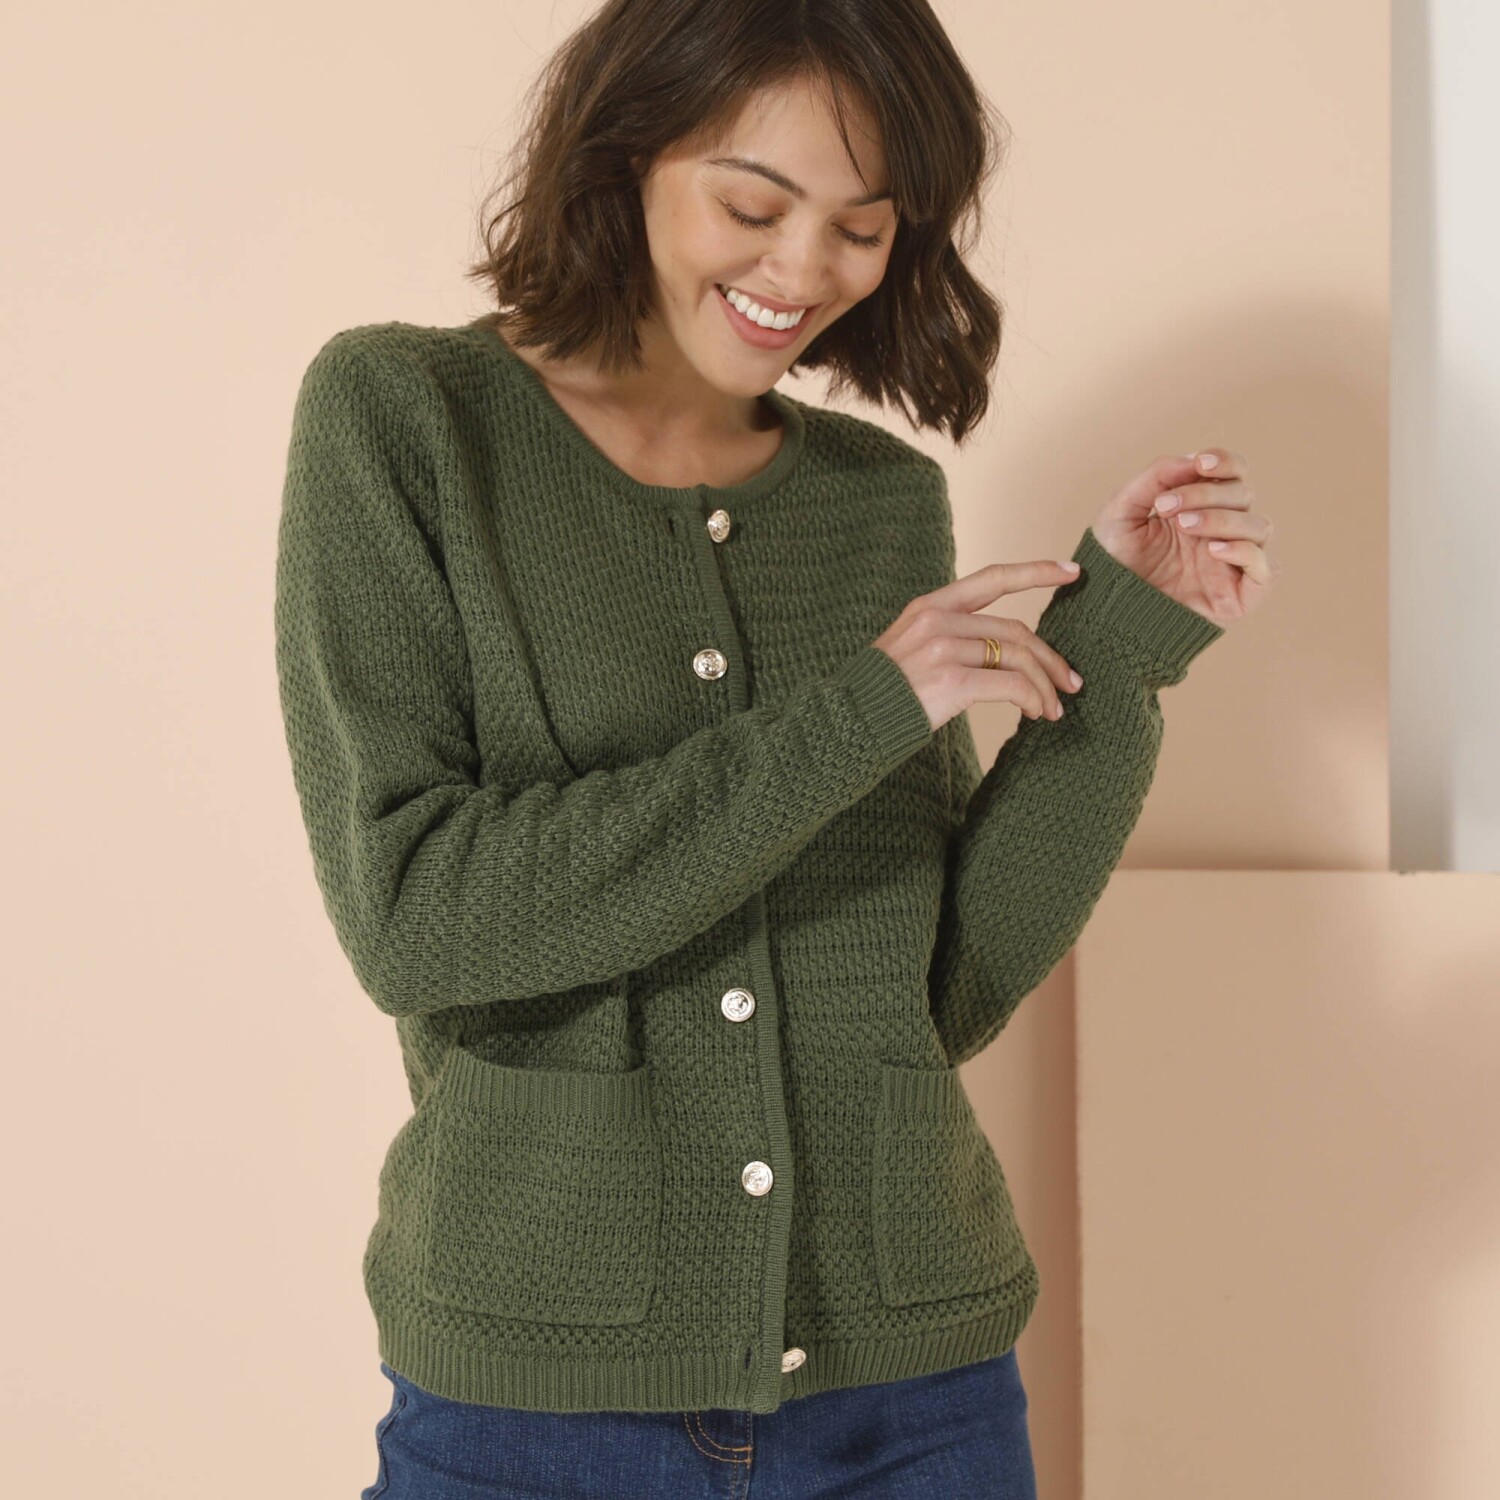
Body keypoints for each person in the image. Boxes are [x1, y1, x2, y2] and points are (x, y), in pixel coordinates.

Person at [273, 1, 1277, 1495]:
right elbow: (416, 914)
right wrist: (869, 705)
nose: (803, 271)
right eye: (753, 206)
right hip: (540, 1401)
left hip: (918, 1396)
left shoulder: (878, 500)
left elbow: (936, 988)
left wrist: (1122, 652)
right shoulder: (411, 419)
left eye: (862, 228)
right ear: (623, 155)